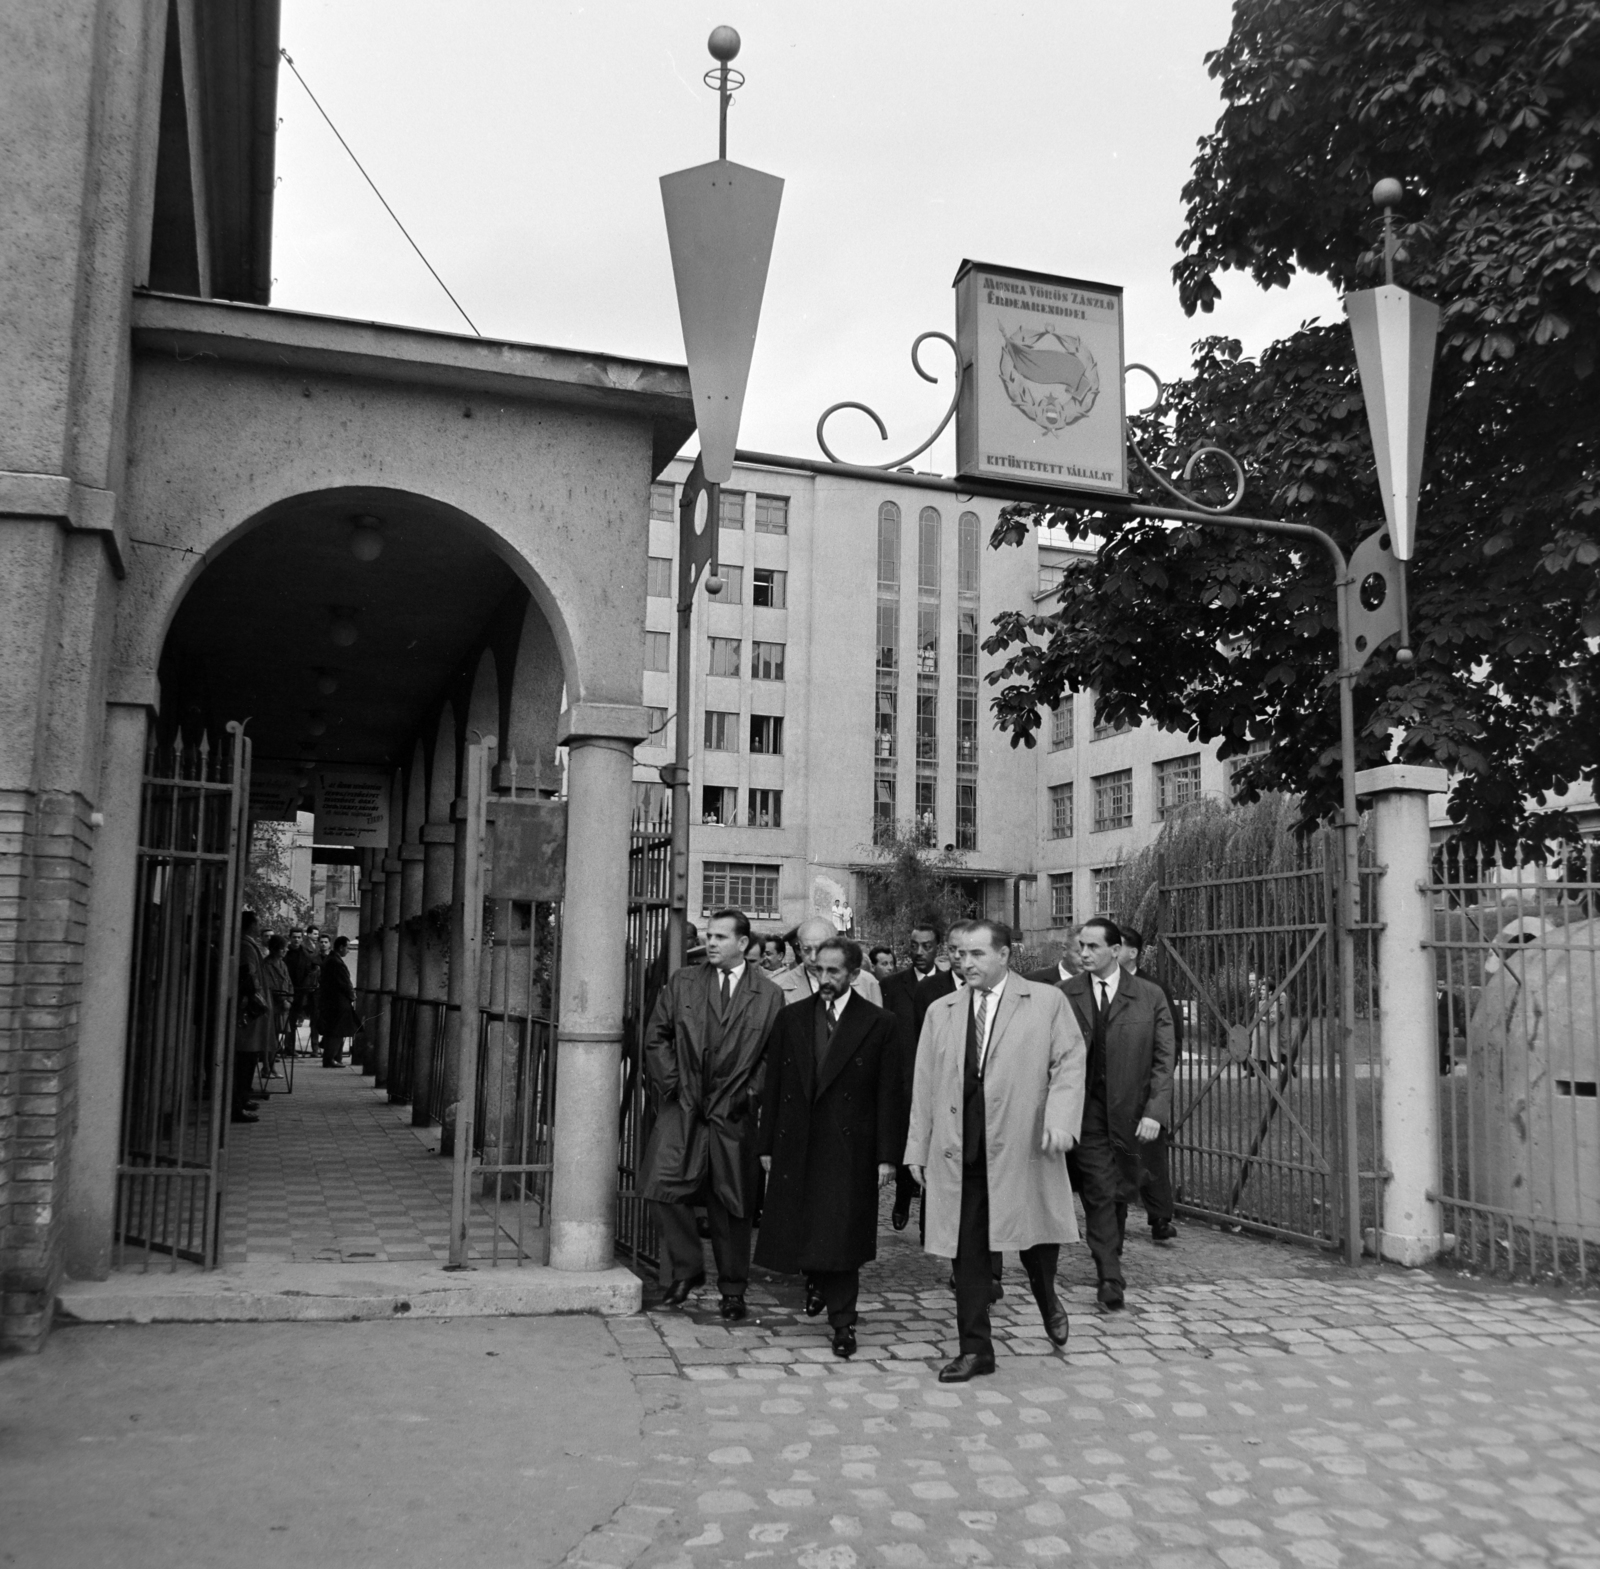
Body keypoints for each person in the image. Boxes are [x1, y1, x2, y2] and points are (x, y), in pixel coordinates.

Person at [905, 918, 1085, 1382]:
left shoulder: (1046, 1002)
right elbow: (923, 1084)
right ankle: (975, 1348)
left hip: (1023, 1143)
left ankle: (1046, 1295)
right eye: (959, 954)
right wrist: (917, 1149)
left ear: (1004, 955)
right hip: (959, 1148)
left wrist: (1062, 1120)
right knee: (967, 1251)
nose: (965, 963)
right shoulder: (942, 1009)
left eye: (976, 954)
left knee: (1035, 1240)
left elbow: (1069, 1063)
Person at [755, 937, 900, 1358]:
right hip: (798, 1142)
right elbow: (775, 1087)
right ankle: (816, 1279)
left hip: (849, 1147)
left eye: (834, 971)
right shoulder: (792, 1018)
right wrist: (767, 1145)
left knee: (841, 1236)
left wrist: (887, 1156)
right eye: (819, 970)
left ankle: (843, 1322)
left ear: (856, 975)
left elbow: (889, 1094)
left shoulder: (879, 1023)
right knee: (805, 1225)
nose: (825, 979)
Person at [639, 907, 784, 1319]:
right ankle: (688, 1268)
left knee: (732, 1204)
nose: (712, 943)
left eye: (721, 937)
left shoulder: (769, 994)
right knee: (659, 1184)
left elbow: (773, 1058)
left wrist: (747, 1095)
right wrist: (674, 1084)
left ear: (743, 943)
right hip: (684, 1105)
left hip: (732, 1113)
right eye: (710, 935)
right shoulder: (684, 981)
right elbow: (657, 1037)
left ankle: (733, 1290)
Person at [1060, 917, 1176, 1310]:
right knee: (1099, 1189)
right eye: (1081, 946)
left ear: (1115, 950)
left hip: (1131, 1111)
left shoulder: (1149, 995)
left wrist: (1154, 1111)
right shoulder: (1065, 994)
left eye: (1093, 947)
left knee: (1122, 1186)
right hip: (1087, 1112)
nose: (1085, 954)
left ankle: (1112, 1251)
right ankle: (1109, 1274)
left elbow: (1164, 1059)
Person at [881, 919, 959, 1231]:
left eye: (927, 946)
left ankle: (929, 1216)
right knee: (906, 1142)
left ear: (937, 948)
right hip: (902, 1078)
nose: (919, 952)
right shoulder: (890, 986)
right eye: (914, 946)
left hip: (938, 1079)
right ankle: (902, 1199)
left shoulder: (949, 985)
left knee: (936, 1146)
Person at [1118, 926, 1181, 1243]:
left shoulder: (1154, 989)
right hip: (1114, 1091)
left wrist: (1158, 1087)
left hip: (1146, 1087)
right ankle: (1115, 1217)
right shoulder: (1101, 988)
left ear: (1132, 952)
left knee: (1152, 1154)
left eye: (1118, 946)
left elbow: (1170, 1043)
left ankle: (1160, 1218)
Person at [775, 916, 883, 1007]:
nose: (812, 958)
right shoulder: (779, 985)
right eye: (806, 950)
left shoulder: (866, 982)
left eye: (819, 949)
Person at [234, 912, 274, 1123]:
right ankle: (238, 1103)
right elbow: (248, 975)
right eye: (257, 923)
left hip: (250, 1009)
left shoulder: (247, 944)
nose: (259, 928)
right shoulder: (246, 946)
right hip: (248, 1011)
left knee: (248, 1059)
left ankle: (243, 1098)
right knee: (245, 1059)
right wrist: (256, 1001)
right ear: (250, 925)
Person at [317, 935, 361, 1067]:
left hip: (332, 1000)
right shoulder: (335, 962)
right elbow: (344, 982)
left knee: (335, 1030)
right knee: (336, 1031)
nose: (348, 951)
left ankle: (333, 1058)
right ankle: (331, 1058)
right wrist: (352, 995)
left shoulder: (331, 960)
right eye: (347, 948)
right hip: (338, 1001)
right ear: (341, 947)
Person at [263, 933, 295, 1082]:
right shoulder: (266, 965)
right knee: (270, 1038)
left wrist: (289, 998)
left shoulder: (283, 964)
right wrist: (284, 999)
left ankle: (271, 1066)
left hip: (283, 1006)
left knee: (276, 1038)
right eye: (283, 949)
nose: (285, 951)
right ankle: (267, 1067)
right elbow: (270, 986)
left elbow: (288, 983)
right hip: (273, 1005)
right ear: (275, 949)